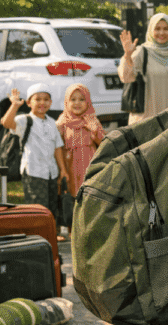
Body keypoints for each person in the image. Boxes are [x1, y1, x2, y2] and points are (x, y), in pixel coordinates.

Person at [0, 83, 68, 241]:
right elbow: (6, 123)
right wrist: (14, 106)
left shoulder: (52, 122)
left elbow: (57, 147)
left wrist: (62, 170)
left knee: (52, 203)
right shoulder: (25, 120)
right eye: (37, 99)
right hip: (34, 170)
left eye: (46, 99)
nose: (42, 103)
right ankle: (38, 234)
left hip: (51, 171)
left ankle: (52, 233)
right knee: (37, 204)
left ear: (50, 103)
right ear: (29, 102)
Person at [118, 13, 168, 125]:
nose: (161, 33)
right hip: (145, 122)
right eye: (157, 29)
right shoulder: (141, 52)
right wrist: (127, 55)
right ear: (151, 30)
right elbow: (126, 77)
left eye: (166, 29)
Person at [56, 83, 105, 234]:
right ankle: (72, 230)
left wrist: (94, 130)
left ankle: (89, 228)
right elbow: (57, 145)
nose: (77, 103)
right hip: (70, 166)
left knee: (88, 195)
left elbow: (104, 144)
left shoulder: (92, 120)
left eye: (82, 99)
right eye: (73, 99)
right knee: (71, 197)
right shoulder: (63, 122)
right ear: (66, 102)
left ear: (88, 101)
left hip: (88, 164)